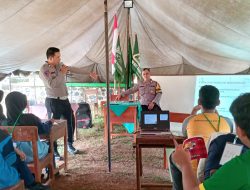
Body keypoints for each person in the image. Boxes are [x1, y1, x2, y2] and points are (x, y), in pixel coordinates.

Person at [172, 93, 250, 190]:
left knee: (174, 157)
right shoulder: (226, 121)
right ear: (218, 102)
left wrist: (185, 164)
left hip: (196, 165)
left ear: (241, 131)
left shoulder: (239, 167)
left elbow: (185, 135)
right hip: (215, 168)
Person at [181, 85, 233, 173]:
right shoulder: (228, 122)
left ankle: (182, 185)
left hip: (195, 169)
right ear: (218, 102)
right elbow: (226, 136)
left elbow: (186, 136)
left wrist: (193, 113)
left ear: (199, 102)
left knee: (172, 158)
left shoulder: (189, 121)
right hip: (217, 170)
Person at [4, 91, 52, 163]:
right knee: (50, 144)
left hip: (14, 156)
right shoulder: (30, 118)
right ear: (21, 104)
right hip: (33, 155)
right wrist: (50, 123)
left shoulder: (3, 122)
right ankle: (53, 172)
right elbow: (44, 130)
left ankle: (32, 174)